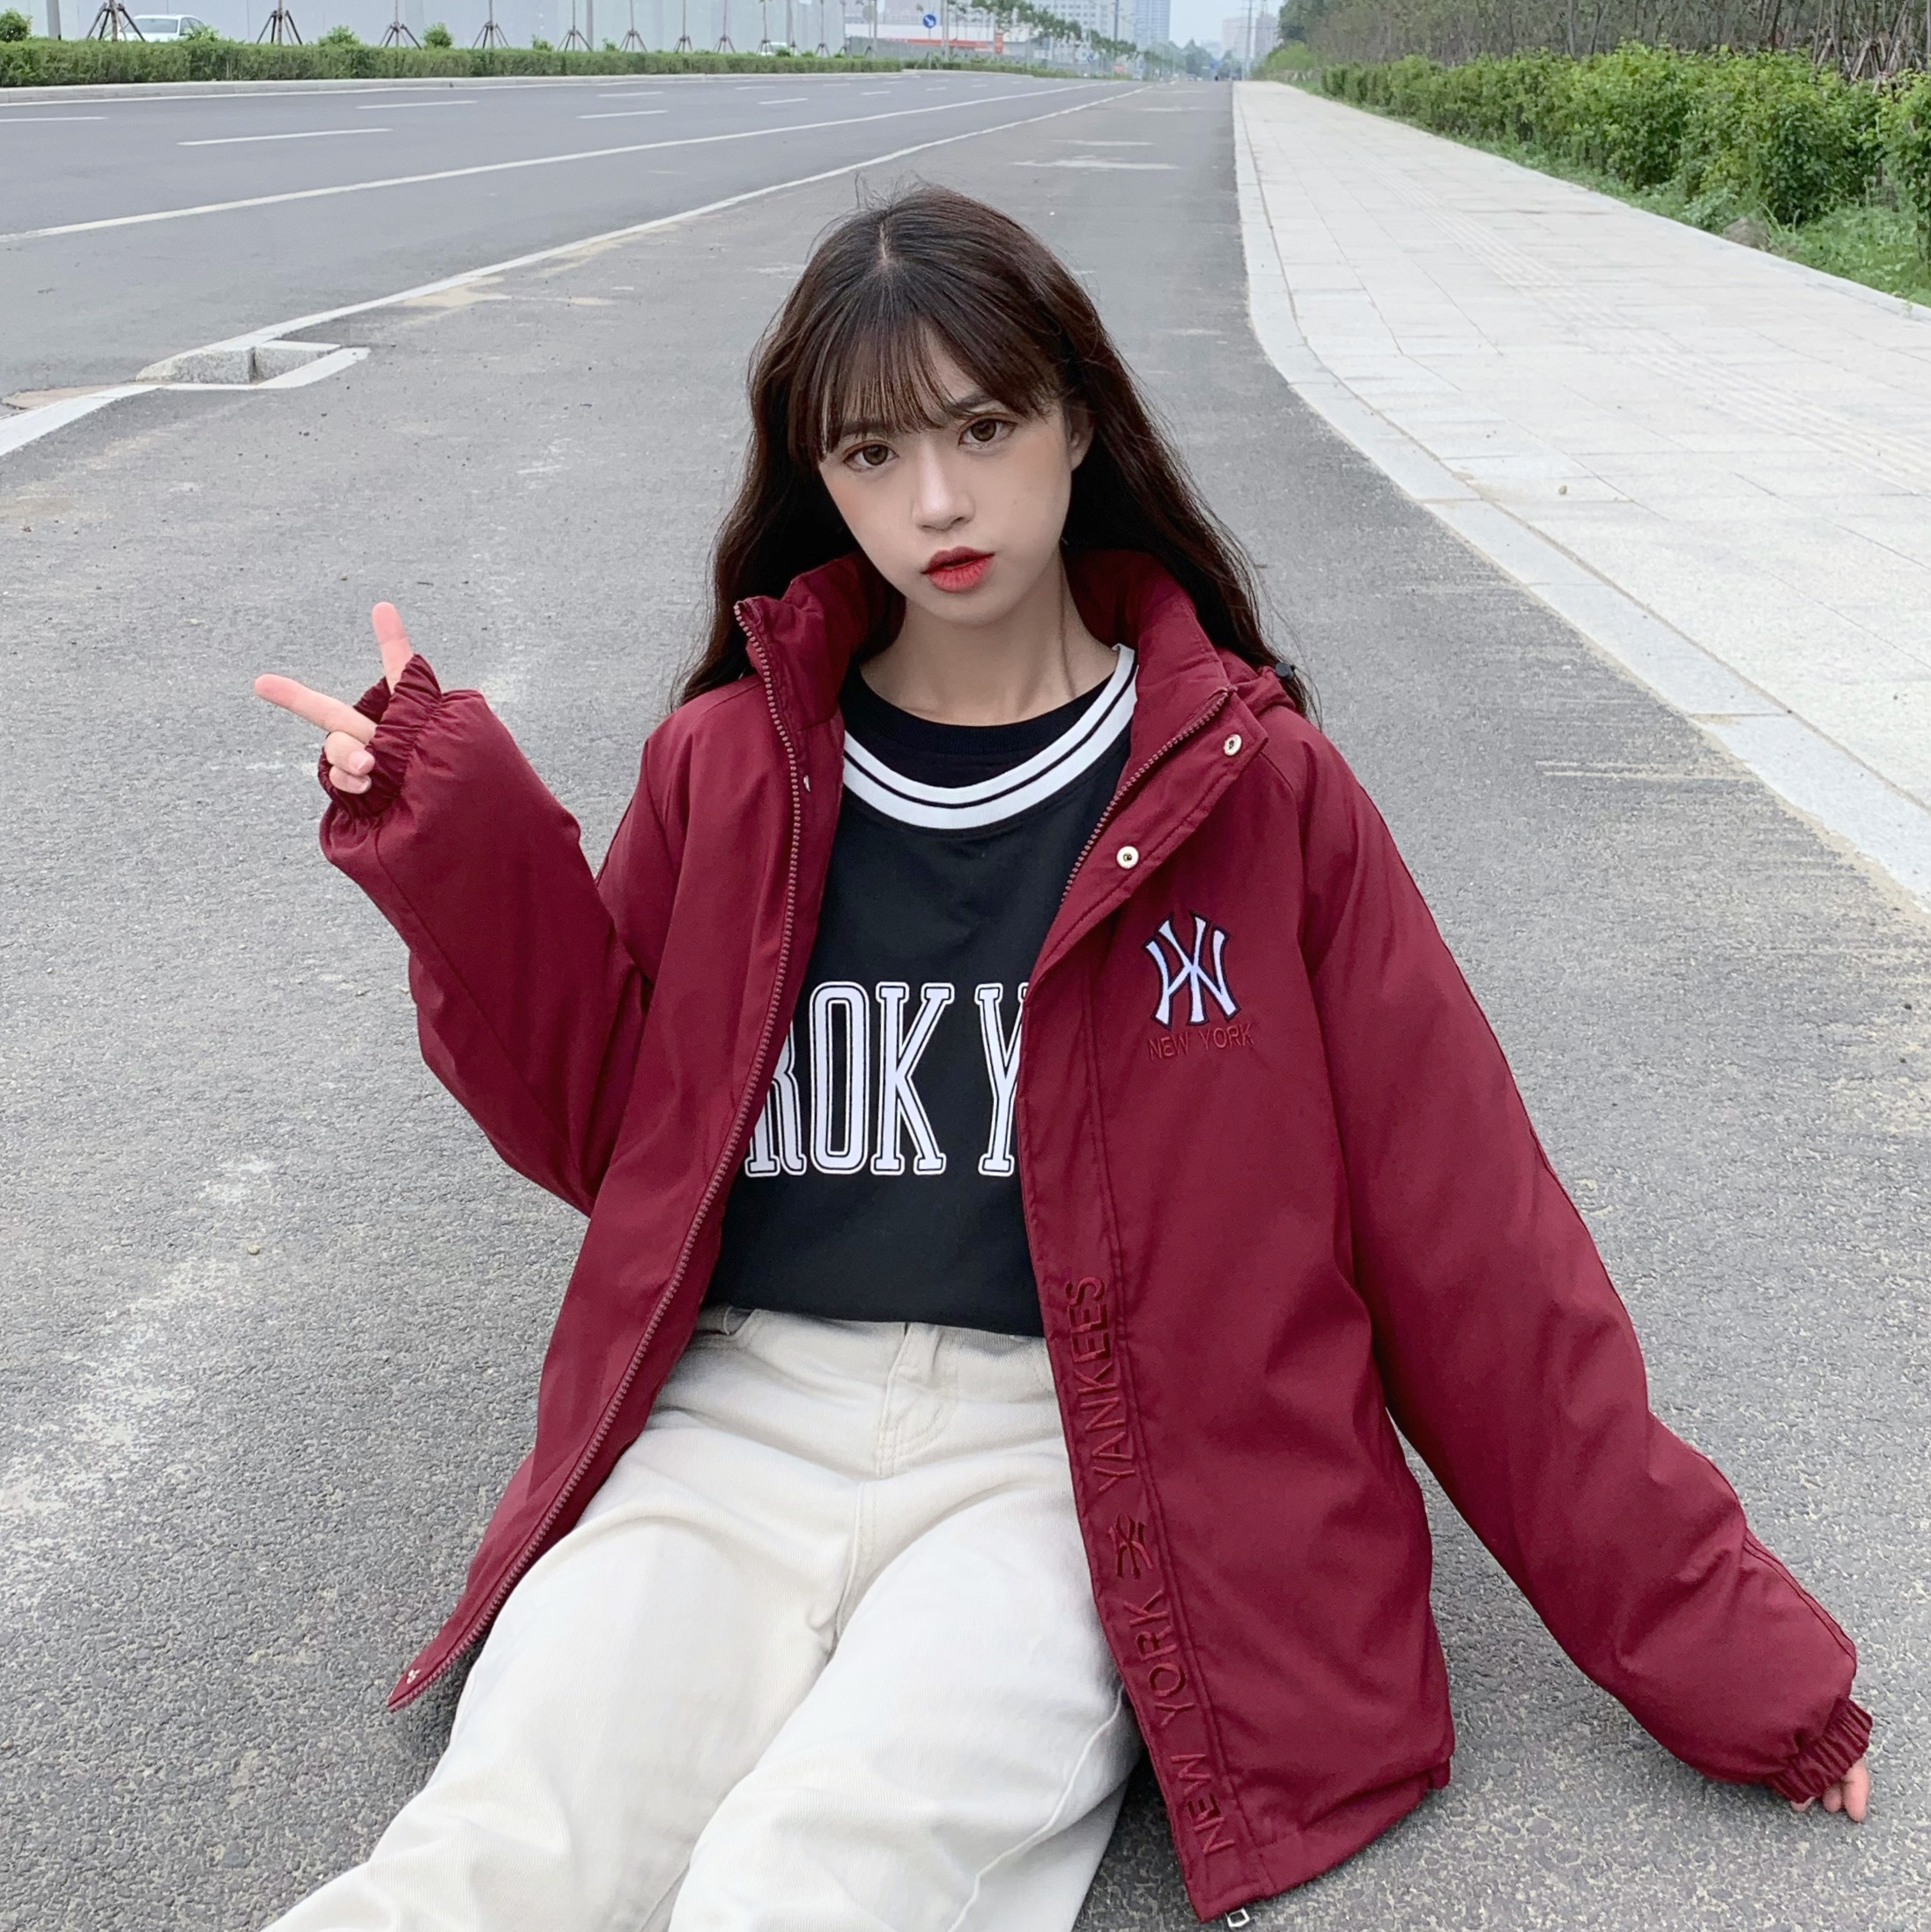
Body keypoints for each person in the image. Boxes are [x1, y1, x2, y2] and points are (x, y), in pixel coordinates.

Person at [253, 186, 1870, 1932]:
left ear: (1077, 421)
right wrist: (460, 849)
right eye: (873, 453)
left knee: (815, 1874)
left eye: (981, 427)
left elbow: (1471, 1246)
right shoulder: (733, 763)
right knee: (486, 1851)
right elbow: (613, 1134)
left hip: (1076, 1460)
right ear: (818, 475)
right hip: (733, 1422)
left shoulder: (1252, 792)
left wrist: (1741, 1665)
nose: (937, 502)